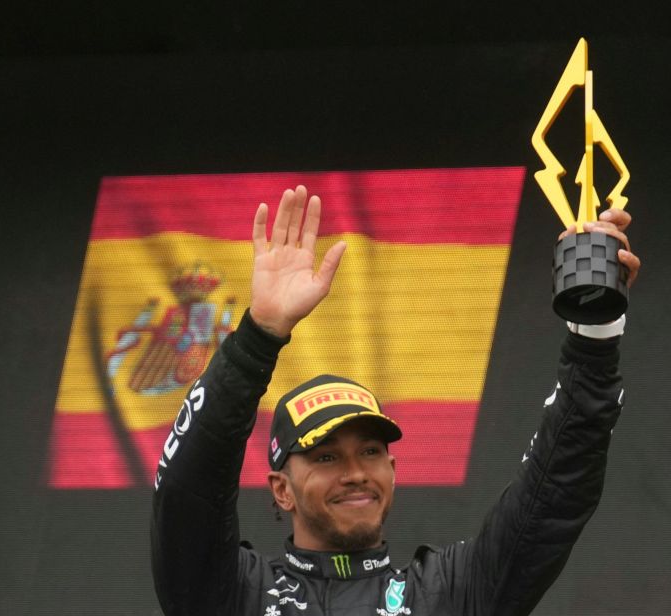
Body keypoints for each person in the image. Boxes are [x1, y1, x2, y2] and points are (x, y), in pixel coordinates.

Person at [151, 185, 640, 616]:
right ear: (282, 490)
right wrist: (257, 338)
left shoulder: (447, 596)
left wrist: (594, 335)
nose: (357, 471)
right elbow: (186, 492)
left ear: (393, 469)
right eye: (325, 456)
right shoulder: (235, 596)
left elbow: (551, 497)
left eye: (370, 451)